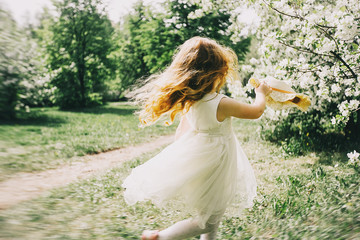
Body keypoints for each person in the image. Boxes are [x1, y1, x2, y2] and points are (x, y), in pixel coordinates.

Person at [122, 36, 272, 240]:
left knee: (211, 218)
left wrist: (184, 160)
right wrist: (261, 93)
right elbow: (255, 111)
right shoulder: (221, 102)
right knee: (208, 220)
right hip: (216, 165)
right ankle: (162, 237)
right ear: (215, 73)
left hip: (201, 162)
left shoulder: (192, 101)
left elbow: (181, 132)